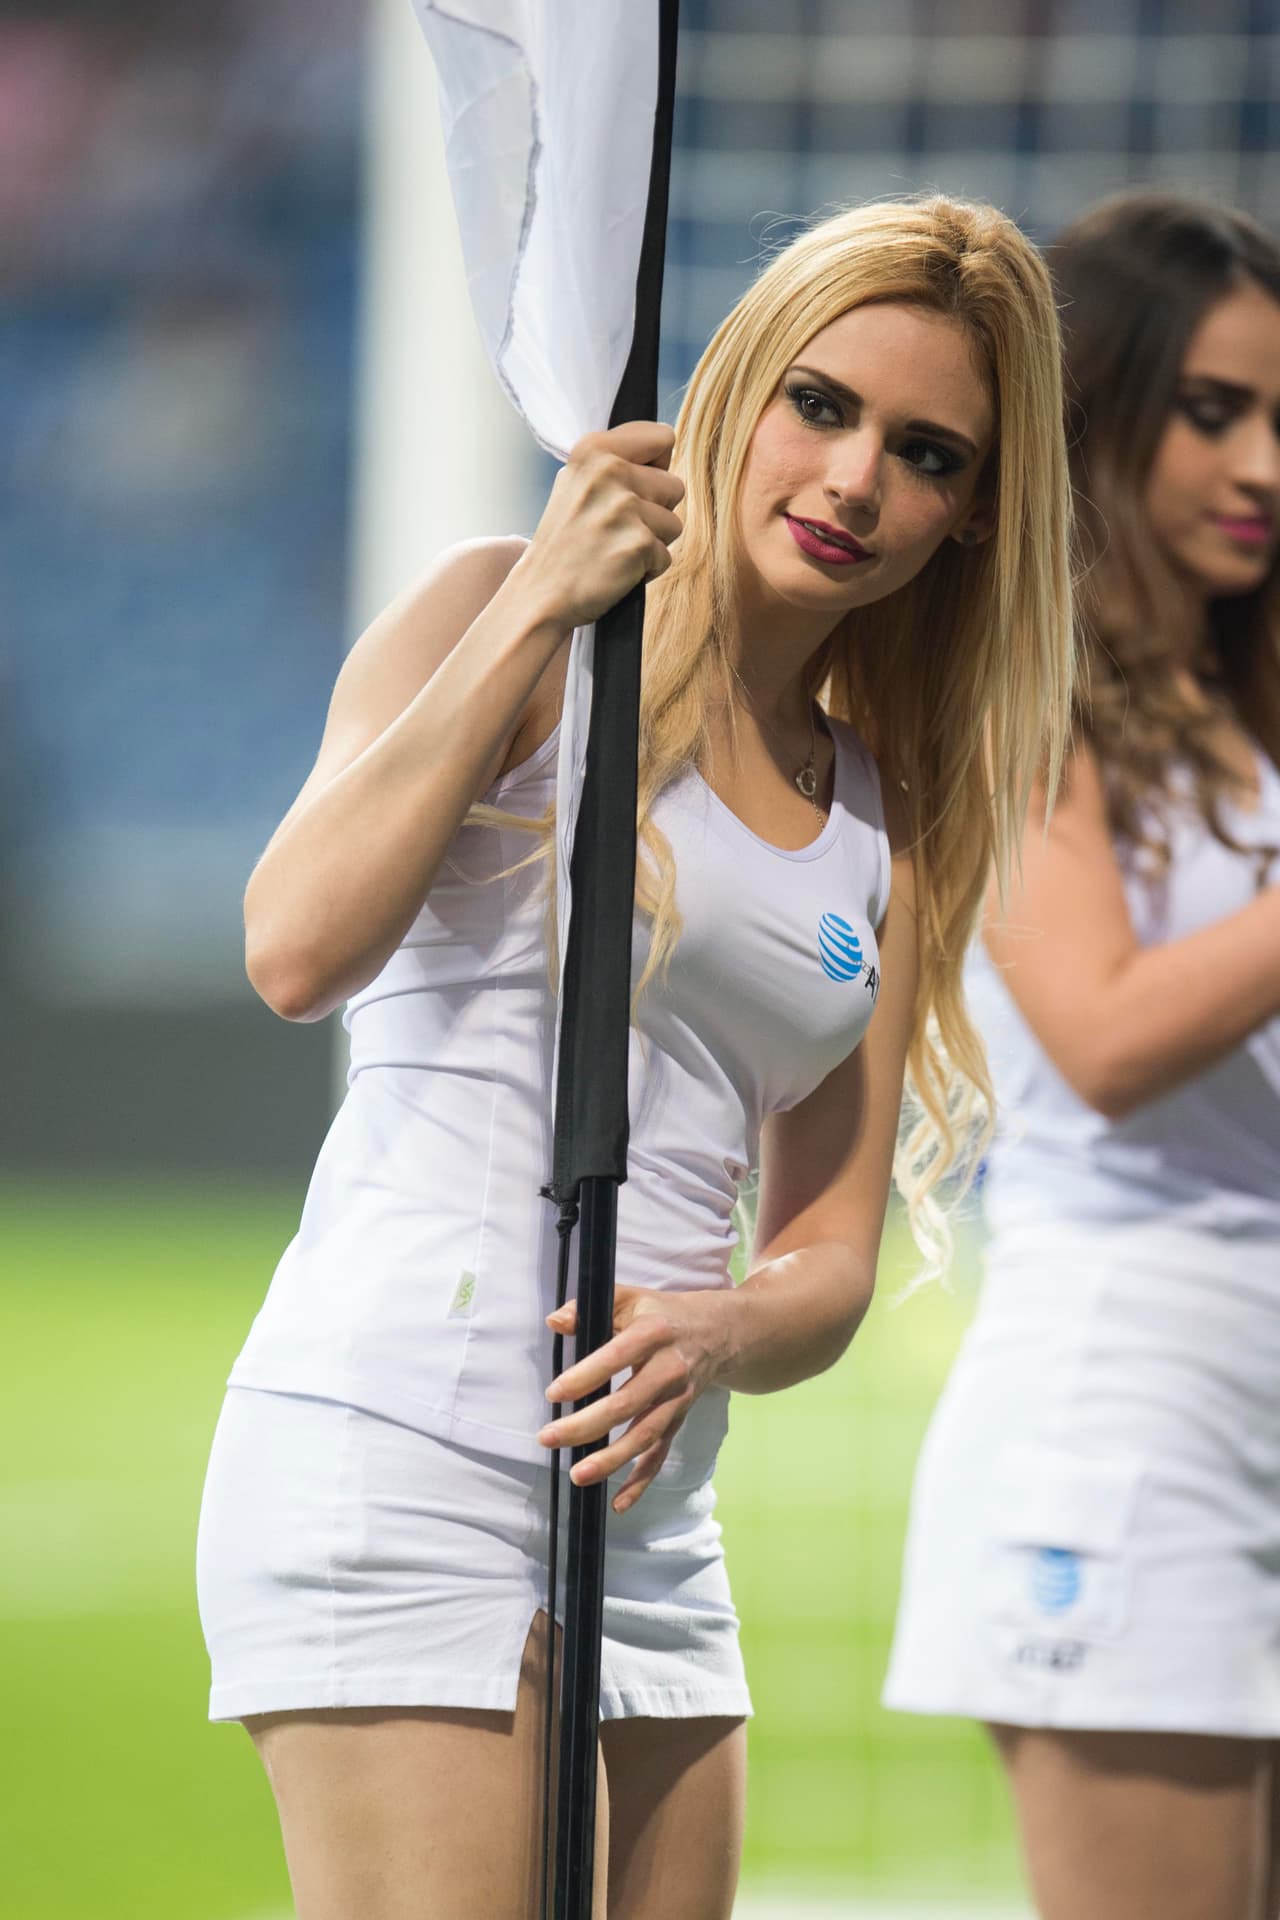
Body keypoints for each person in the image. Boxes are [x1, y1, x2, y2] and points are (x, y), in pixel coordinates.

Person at [196, 193, 1072, 1920]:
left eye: (927, 455)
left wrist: (724, 1325)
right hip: (406, 1442)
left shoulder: (885, 807)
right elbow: (296, 947)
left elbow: (827, 1242)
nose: (851, 485)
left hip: (657, 1513)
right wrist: (542, 599)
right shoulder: (505, 616)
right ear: (740, 394)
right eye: (820, 407)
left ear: (974, 518)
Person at [884, 191, 1280, 1920]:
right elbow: (1108, 1038)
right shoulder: (1023, 697)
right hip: (1130, 1404)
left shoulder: (1238, 716)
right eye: (1214, 409)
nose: (1264, 459)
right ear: (1103, 413)